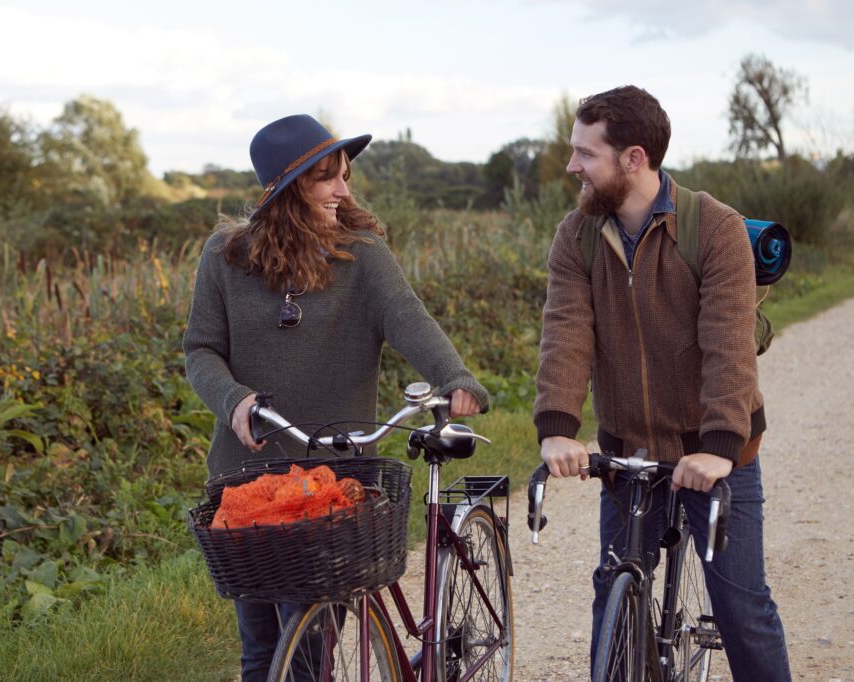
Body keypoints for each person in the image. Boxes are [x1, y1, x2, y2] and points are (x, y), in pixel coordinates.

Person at [183, 113, 489, 681]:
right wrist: (234, 400)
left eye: (343, 175)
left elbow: (410, 322)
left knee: (307, 655)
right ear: (285, 187)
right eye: (326, 178)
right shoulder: (224, 258)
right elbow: (200, 350)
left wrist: (455, 378)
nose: (343, 190)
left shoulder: (362, 257)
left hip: (336, 480)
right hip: (247, 479)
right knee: (259, 651)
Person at [533, 86, 790, 681]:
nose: (572, 165)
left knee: (741, 609)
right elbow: (567, 332)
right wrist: (557, 427)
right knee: (614, 601)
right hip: (631, 452)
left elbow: (728, 346)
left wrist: (721, 446)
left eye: (584, 154)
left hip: (716, 450)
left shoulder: (716, 229)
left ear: (633, 158)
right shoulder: (577, 236)